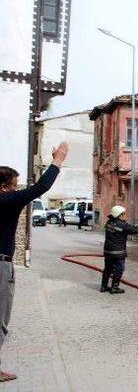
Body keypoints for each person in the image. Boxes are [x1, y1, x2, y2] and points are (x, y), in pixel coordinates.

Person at [0, 142, 68, 383]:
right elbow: (41, 187)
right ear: (3, 186)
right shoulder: (6, 200)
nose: (17, 189)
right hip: (1, 265)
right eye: (14, 186)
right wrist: (58, 160)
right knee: (1, 317)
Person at [100, 206, 138, 294]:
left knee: (108, 268)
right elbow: (135, 229)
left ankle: (103, 286)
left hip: (108, 251)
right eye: (123, 214)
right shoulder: (121, 225)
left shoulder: (109, 222)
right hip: (118, 252)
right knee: (119, 269)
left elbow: (128, 228)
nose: (125, 215)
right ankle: (114, 287)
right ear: (119, 215)